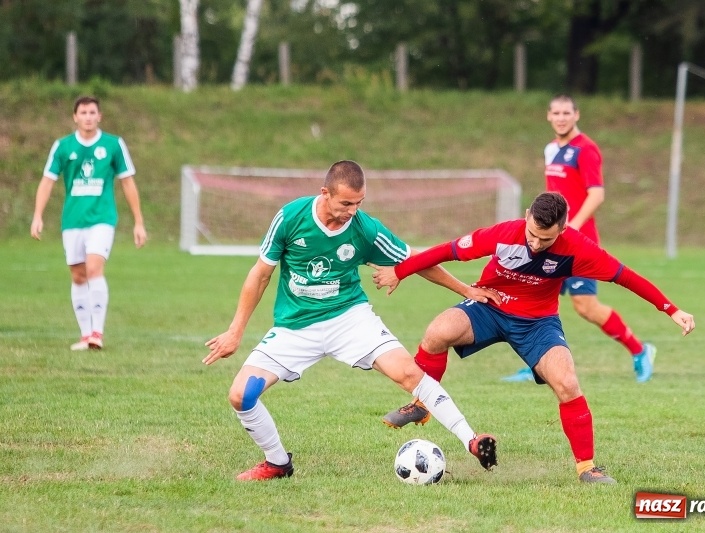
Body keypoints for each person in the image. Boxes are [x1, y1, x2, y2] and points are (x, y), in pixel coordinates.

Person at [202, 160, 498, 481]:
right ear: (325, 193)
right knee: (240, 395)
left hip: (350, 320)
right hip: (294, 326)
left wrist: (465, 288)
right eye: (346, 203)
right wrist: (235, 331)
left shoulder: (365, 228)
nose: (352, 211)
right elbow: (260, 275)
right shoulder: (291, 217)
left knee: (409, 372)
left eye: (359, 203)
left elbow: (416, 260)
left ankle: (471, 439)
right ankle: (277, 463)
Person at [372, 192, 695, 484]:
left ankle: (587, 468)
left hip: (538, 323)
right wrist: (400, 271)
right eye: (532, 235)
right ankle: (421, 405)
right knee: (437, 332)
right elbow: (447, 250)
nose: (537, 243)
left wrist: (671, 309)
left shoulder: (579, 249)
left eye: (546, 239)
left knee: (567, 383)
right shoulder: (502, 234)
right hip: (491, 305)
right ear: (526, 215)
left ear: (563, 229)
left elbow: (626, 277)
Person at [504, 94, 656, 384]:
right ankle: (536, 364)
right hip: (553, 241)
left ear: (577, 115)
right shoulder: (550, 149)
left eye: (566, 113)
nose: (561, 117)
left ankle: (640, 351)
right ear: (549, 116)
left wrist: (570, 226)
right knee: (531, 298)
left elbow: (596, 194)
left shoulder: (586, 149)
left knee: (585, 306)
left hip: (578, 243)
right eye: (556, 113)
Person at [31, 95, 147, 351]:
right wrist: (37, 215)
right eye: (83, 112)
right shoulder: (62, 147)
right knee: (78, 275)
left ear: (99, 116)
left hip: (102, 219)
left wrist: (138, 221)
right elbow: (47, 181)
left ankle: (97, 332)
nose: (88, 117)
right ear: (75, 117)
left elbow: (127, 181)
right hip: (72, 220)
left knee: (94, 268)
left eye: (92, 112)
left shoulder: (113, 145)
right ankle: (85, 335)